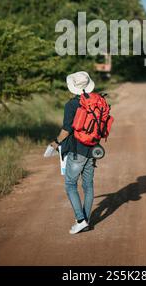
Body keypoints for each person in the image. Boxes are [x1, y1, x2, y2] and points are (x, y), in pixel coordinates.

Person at [51, 71, 96, 235]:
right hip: (92, 148)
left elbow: (66, 130)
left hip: (77, 150)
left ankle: (80, 220)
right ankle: (87, 221)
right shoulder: (96, 101)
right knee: (88, 186)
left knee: (70, 185)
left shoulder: (71, 105)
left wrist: (55, 143)